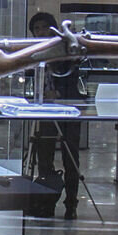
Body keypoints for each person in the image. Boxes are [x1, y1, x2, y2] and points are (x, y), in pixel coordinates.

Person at [25, 12, 82, 220]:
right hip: (44, 111)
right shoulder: (34, 52)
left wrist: (57, 93)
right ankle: (46, 202)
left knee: (71, 158)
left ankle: (71, 203)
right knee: (44, 158)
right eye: (36, 29)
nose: (40, 32)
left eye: (44, 27)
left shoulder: (65, 49)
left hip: (67, 110)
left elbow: (72, 78)